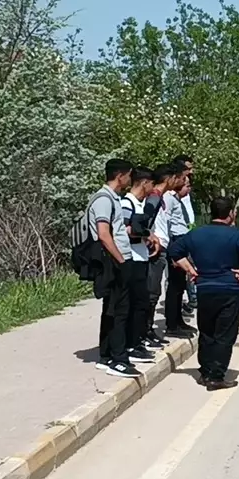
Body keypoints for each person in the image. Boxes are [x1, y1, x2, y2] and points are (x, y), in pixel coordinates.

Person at [168, 196, 239, 391]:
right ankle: (216, 376)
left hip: (205, 289)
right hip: (229, 289)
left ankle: (205, 371)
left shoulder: (196, 234)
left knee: (207, 331)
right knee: (225, 334)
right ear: (230, 214)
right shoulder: (235, 234)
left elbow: (174, 250)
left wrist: (189, 269)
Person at [87, 159, 142, 377]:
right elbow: (103, 233)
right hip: (114, 261)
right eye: (129, 175)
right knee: (120, 311)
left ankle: (107, 355)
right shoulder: (103, 199)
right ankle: (118, 359)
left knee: (113, 310)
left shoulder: (112, 198)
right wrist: (121, 260)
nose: (130, 179)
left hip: (116, 259)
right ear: (120, 176)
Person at [121, 166, 164, 358]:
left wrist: (148, 236)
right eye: (151, 184)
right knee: (135, 305)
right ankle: (131, 344)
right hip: (132, 259)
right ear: (144, 183)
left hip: (141, 257)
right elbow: (123, 231)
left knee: (141, 303)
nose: (152, 189)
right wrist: (145, 233)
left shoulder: (139, 204)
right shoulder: (127, 203)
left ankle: (137, 341)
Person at [142, 163, 182, 345]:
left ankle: (147, 330)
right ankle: (145, 331)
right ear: (169, 178)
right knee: (151, 292)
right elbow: (146, 222)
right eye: (176, 177)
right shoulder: (153, 198)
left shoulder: (163, 197)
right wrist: (151, 239)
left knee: (155, 291)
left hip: (163, 246)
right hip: (154, 248)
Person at [162, 174, 196, 338]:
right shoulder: (168, 198)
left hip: (181, 240)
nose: (187, 187)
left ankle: (178, 320)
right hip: (174, 241)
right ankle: (172, 324)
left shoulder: (177, 199)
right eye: (185, 183)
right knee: (174, 287)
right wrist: (173, 251)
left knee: (181, 285)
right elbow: (166, 223)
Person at [172, 154, 198, 315]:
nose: (191, 171)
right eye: (188, 168)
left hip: (188, 233)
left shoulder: (186, 190)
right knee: (180, 273)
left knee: (190, 267)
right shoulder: (171, 195)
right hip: (177, 237)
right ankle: (183, 302)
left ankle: (192, 297)